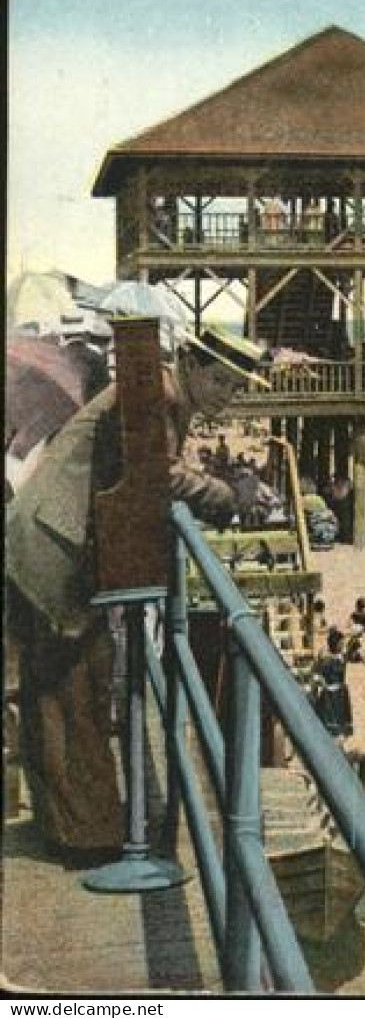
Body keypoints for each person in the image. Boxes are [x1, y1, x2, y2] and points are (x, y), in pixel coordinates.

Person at [5, 327, 264, 857]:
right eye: (219, 380)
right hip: (54, 545)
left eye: (235, 388)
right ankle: (88, 837)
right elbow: (157, 473)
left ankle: (75, 826)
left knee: (61, 691)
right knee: (74, 689)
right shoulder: (155, 395)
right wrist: (227, 495)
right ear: (190, 363)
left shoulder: (159, 390)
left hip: (52, 537)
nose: (225, 395)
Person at [309, 628, 355, 740]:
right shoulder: (326, 659)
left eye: (343, 643)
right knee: (330, 722)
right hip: (329, 694)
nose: (343, 645)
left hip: (341, 692)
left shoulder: (341, 657)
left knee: (340, 720)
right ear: (335, 644)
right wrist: (320, 682)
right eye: (341, 643)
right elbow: (316, 672)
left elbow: (352, 647)